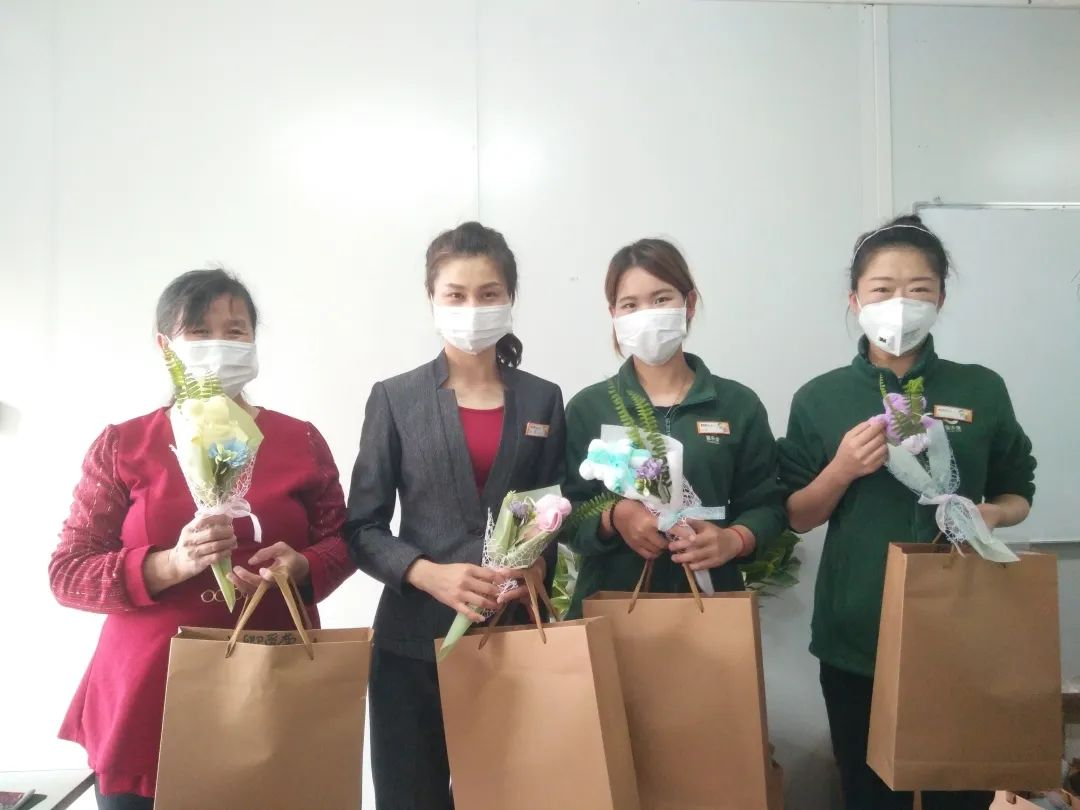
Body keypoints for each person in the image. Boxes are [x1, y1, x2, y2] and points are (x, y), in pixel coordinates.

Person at [50, 269, 355, 809]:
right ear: (165, 346)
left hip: (275, 688)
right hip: (150, 695)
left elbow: (345, 541)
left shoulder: (298, 439)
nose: (219, 344)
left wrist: (303, 566)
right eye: (199, 331)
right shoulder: (125, 444)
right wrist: (170, 563)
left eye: (235, 331)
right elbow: (68, 573)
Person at [778, 214, 1036, 810]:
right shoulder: (820, 397)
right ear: (854, 300)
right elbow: (796, 515)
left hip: (962, 628)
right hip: (856, 634)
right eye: (882, 289)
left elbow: (1019, 491)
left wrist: (992, 516)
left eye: (918, 289)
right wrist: (842, 468)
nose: (900, 304)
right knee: (870, 795)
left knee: (961, 793)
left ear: (940, 299)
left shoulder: (981, 388)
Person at [345, 221, 566, 809]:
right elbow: (361, 527)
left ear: (510, 299)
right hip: (412, 643)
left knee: (512, 797)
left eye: (488, 294)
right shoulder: (395, 398)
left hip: (513, 638)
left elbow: (553, 511)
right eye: (456, 294)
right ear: (432, 300)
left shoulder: (542, 399)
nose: (473, 308)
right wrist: (426, 572)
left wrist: (537, 565)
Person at [563, 237, 785, 617]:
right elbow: (568, 516)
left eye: (661, 299)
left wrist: (734, 540)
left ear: (689, 303)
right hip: (612, 610)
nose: (646, 314)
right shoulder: (589, 408)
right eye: (630, 305)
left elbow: (769, 505)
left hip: (710, 608)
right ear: (614, 314)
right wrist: (615, 517)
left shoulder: (737, 405)